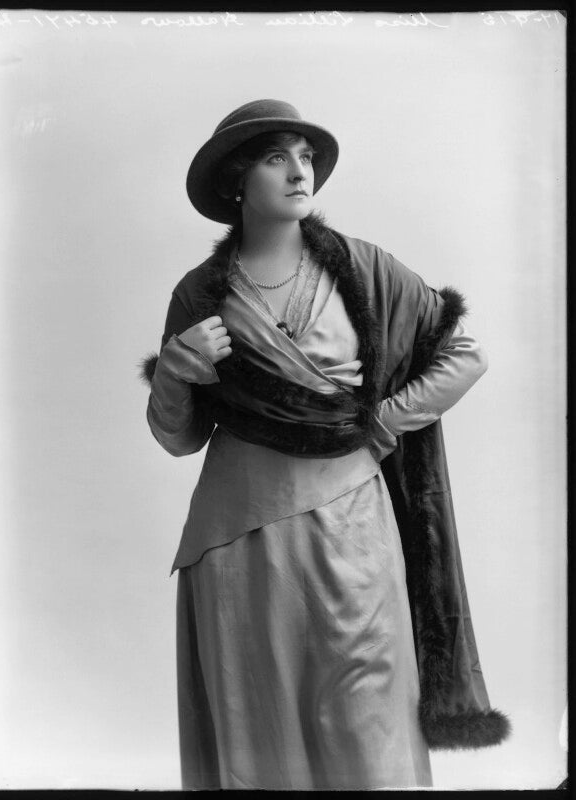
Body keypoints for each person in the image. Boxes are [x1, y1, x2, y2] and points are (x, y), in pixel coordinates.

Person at [140, 99, 510, 791]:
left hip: (351, 527)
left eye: (305, 157)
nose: (298, 172)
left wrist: (380, 423)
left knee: (368, 717)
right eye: (276, 157)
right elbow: (179, 437)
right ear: (236, 181)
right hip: (236, 537)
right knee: (259, 725)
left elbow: (465, 354)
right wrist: (175, 371)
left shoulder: (363, 270)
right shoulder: (199, 294)